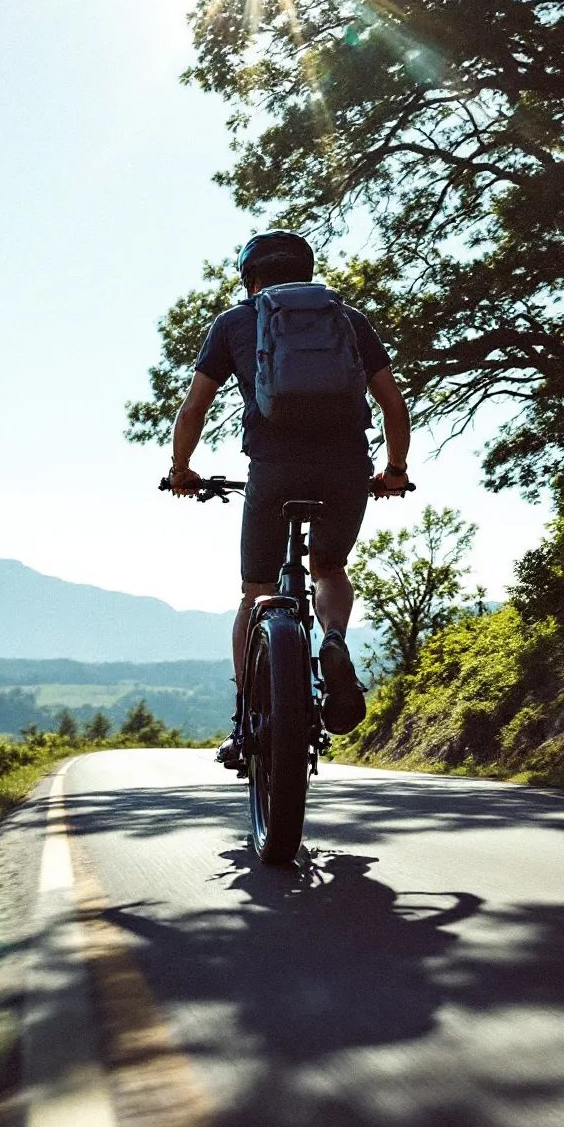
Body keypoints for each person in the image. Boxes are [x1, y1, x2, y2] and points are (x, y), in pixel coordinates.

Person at [168, 230, 411, 766]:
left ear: (251, 280)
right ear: (306, 272)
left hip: (273, 471)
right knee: (329, 567)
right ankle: (335, 641)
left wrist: (182, 469)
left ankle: (242, 723)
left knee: (256, 591)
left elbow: (194, 409)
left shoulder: (235, 322)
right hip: (346, 467)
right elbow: (393, 404)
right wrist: (394, 472)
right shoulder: (348, 320)